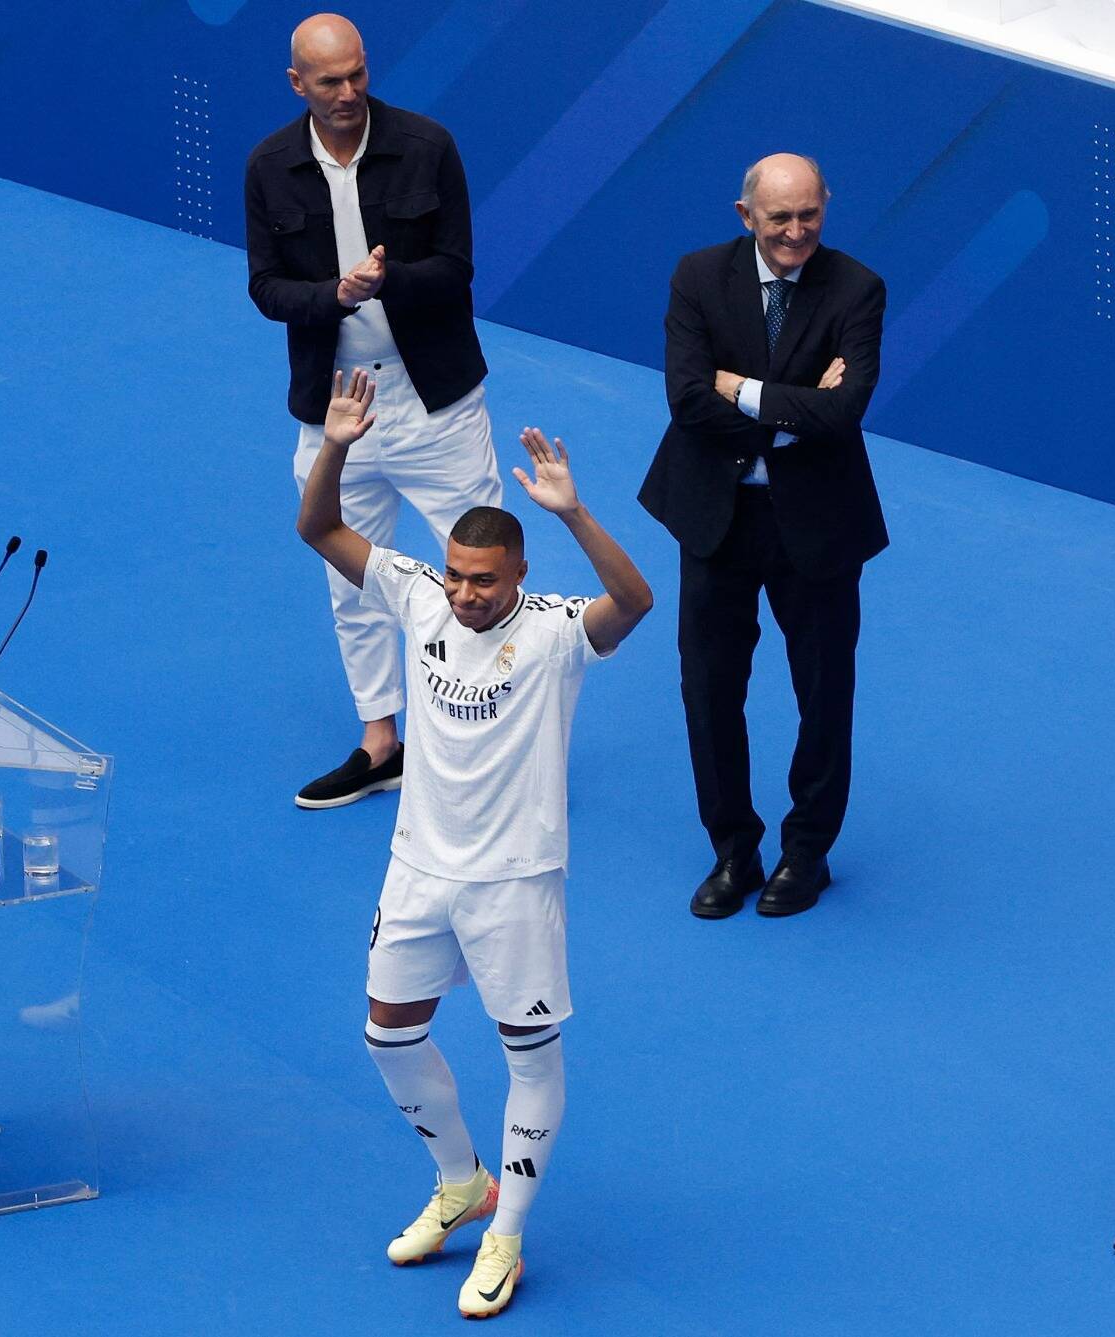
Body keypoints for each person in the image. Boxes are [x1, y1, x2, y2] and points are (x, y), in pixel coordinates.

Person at [298, 369, 652, 1317]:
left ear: (521, 578)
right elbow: (319, 531)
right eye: (455, 573)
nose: (463, 592)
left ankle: (508, 1231)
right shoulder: (418, 596)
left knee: (526, 1053)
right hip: (418, 867)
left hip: (513, 883)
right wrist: (335, 444)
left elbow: (638, 598)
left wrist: (575, 513)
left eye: (483, 579)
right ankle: (462, 1181)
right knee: (387, 1032)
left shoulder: (557, 633)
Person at [247, 12, 502, 810]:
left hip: (437, 403)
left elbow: (457, 266)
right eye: (331, 82)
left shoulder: (428, 144)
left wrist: (384, 282)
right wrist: (334, 295)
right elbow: (265, 288)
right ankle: (381, 742)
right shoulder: (268, 167)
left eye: (358, 74)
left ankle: (492, 736)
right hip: (337, 406)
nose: (351, 92)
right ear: (299, 86)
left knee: (482, 569)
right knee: (351, 579)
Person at [637, 152, 888, 920]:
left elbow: (845, 413)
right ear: (745, 215)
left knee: (824, 691)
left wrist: (741, 389)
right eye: (779, 217)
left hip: (815, 525)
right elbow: (685, 400)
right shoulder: (696, 277)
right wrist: (794, 407)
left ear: (826, 205)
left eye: (809, 213)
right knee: (709, 689)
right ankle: (735, 849)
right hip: (716, 517)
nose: (796, 231)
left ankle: (807, 851)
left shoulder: (857, 287)